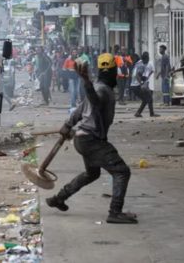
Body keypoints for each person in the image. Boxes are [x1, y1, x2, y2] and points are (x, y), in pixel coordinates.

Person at [44, 54, 136, 224]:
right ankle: (115, 211)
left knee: (92, 173)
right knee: (122, 171)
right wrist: (85, 81)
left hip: (83, 139)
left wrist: (68, 124)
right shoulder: (101, 90)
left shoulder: (98, 86)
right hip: (91, 140)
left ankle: (59, 198)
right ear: (114, 72)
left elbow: (79, 110)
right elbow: (95, 101)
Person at [131, 51, 158, 118]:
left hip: (134, 85)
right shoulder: (142, 65)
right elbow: (137, 76)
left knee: (147, 99)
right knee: (148, 98)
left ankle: (139, 113)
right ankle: (151, 113)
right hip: (137, 86)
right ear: (145, 59)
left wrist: (145, 78)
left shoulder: (138, 63)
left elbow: (137, 75)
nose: (148, 61)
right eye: (147, 59)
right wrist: (142, 83)